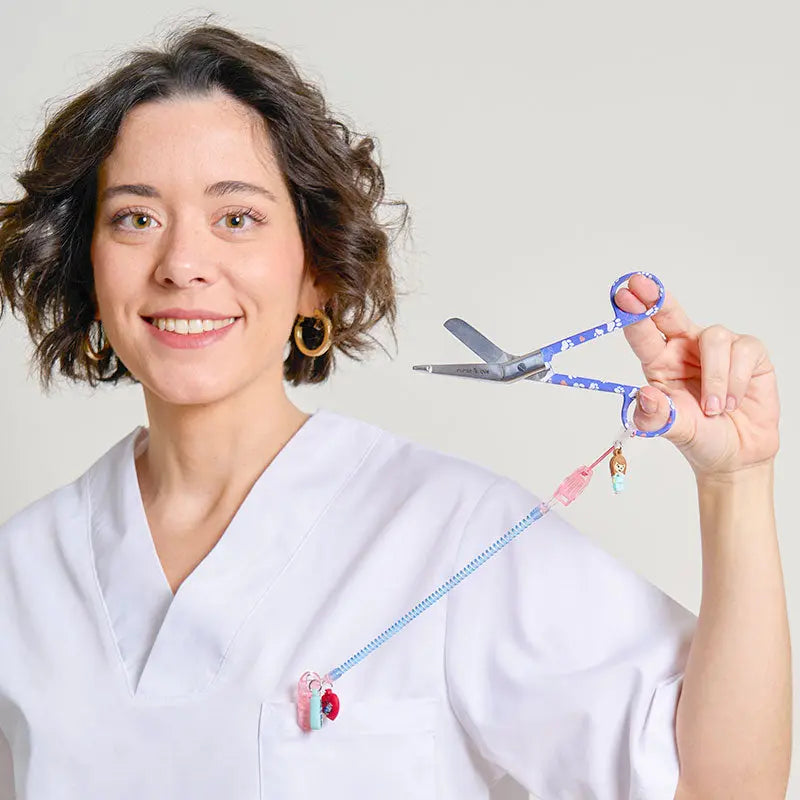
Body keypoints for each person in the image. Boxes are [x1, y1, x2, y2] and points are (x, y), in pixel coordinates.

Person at [0, 19, 789, 800]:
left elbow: (723, 789)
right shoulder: (22, 570)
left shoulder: (449, 534)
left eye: (236, 218)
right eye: (136, 218)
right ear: (87, 266)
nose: (182, 264)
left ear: (315, 270)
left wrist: (736, 482)